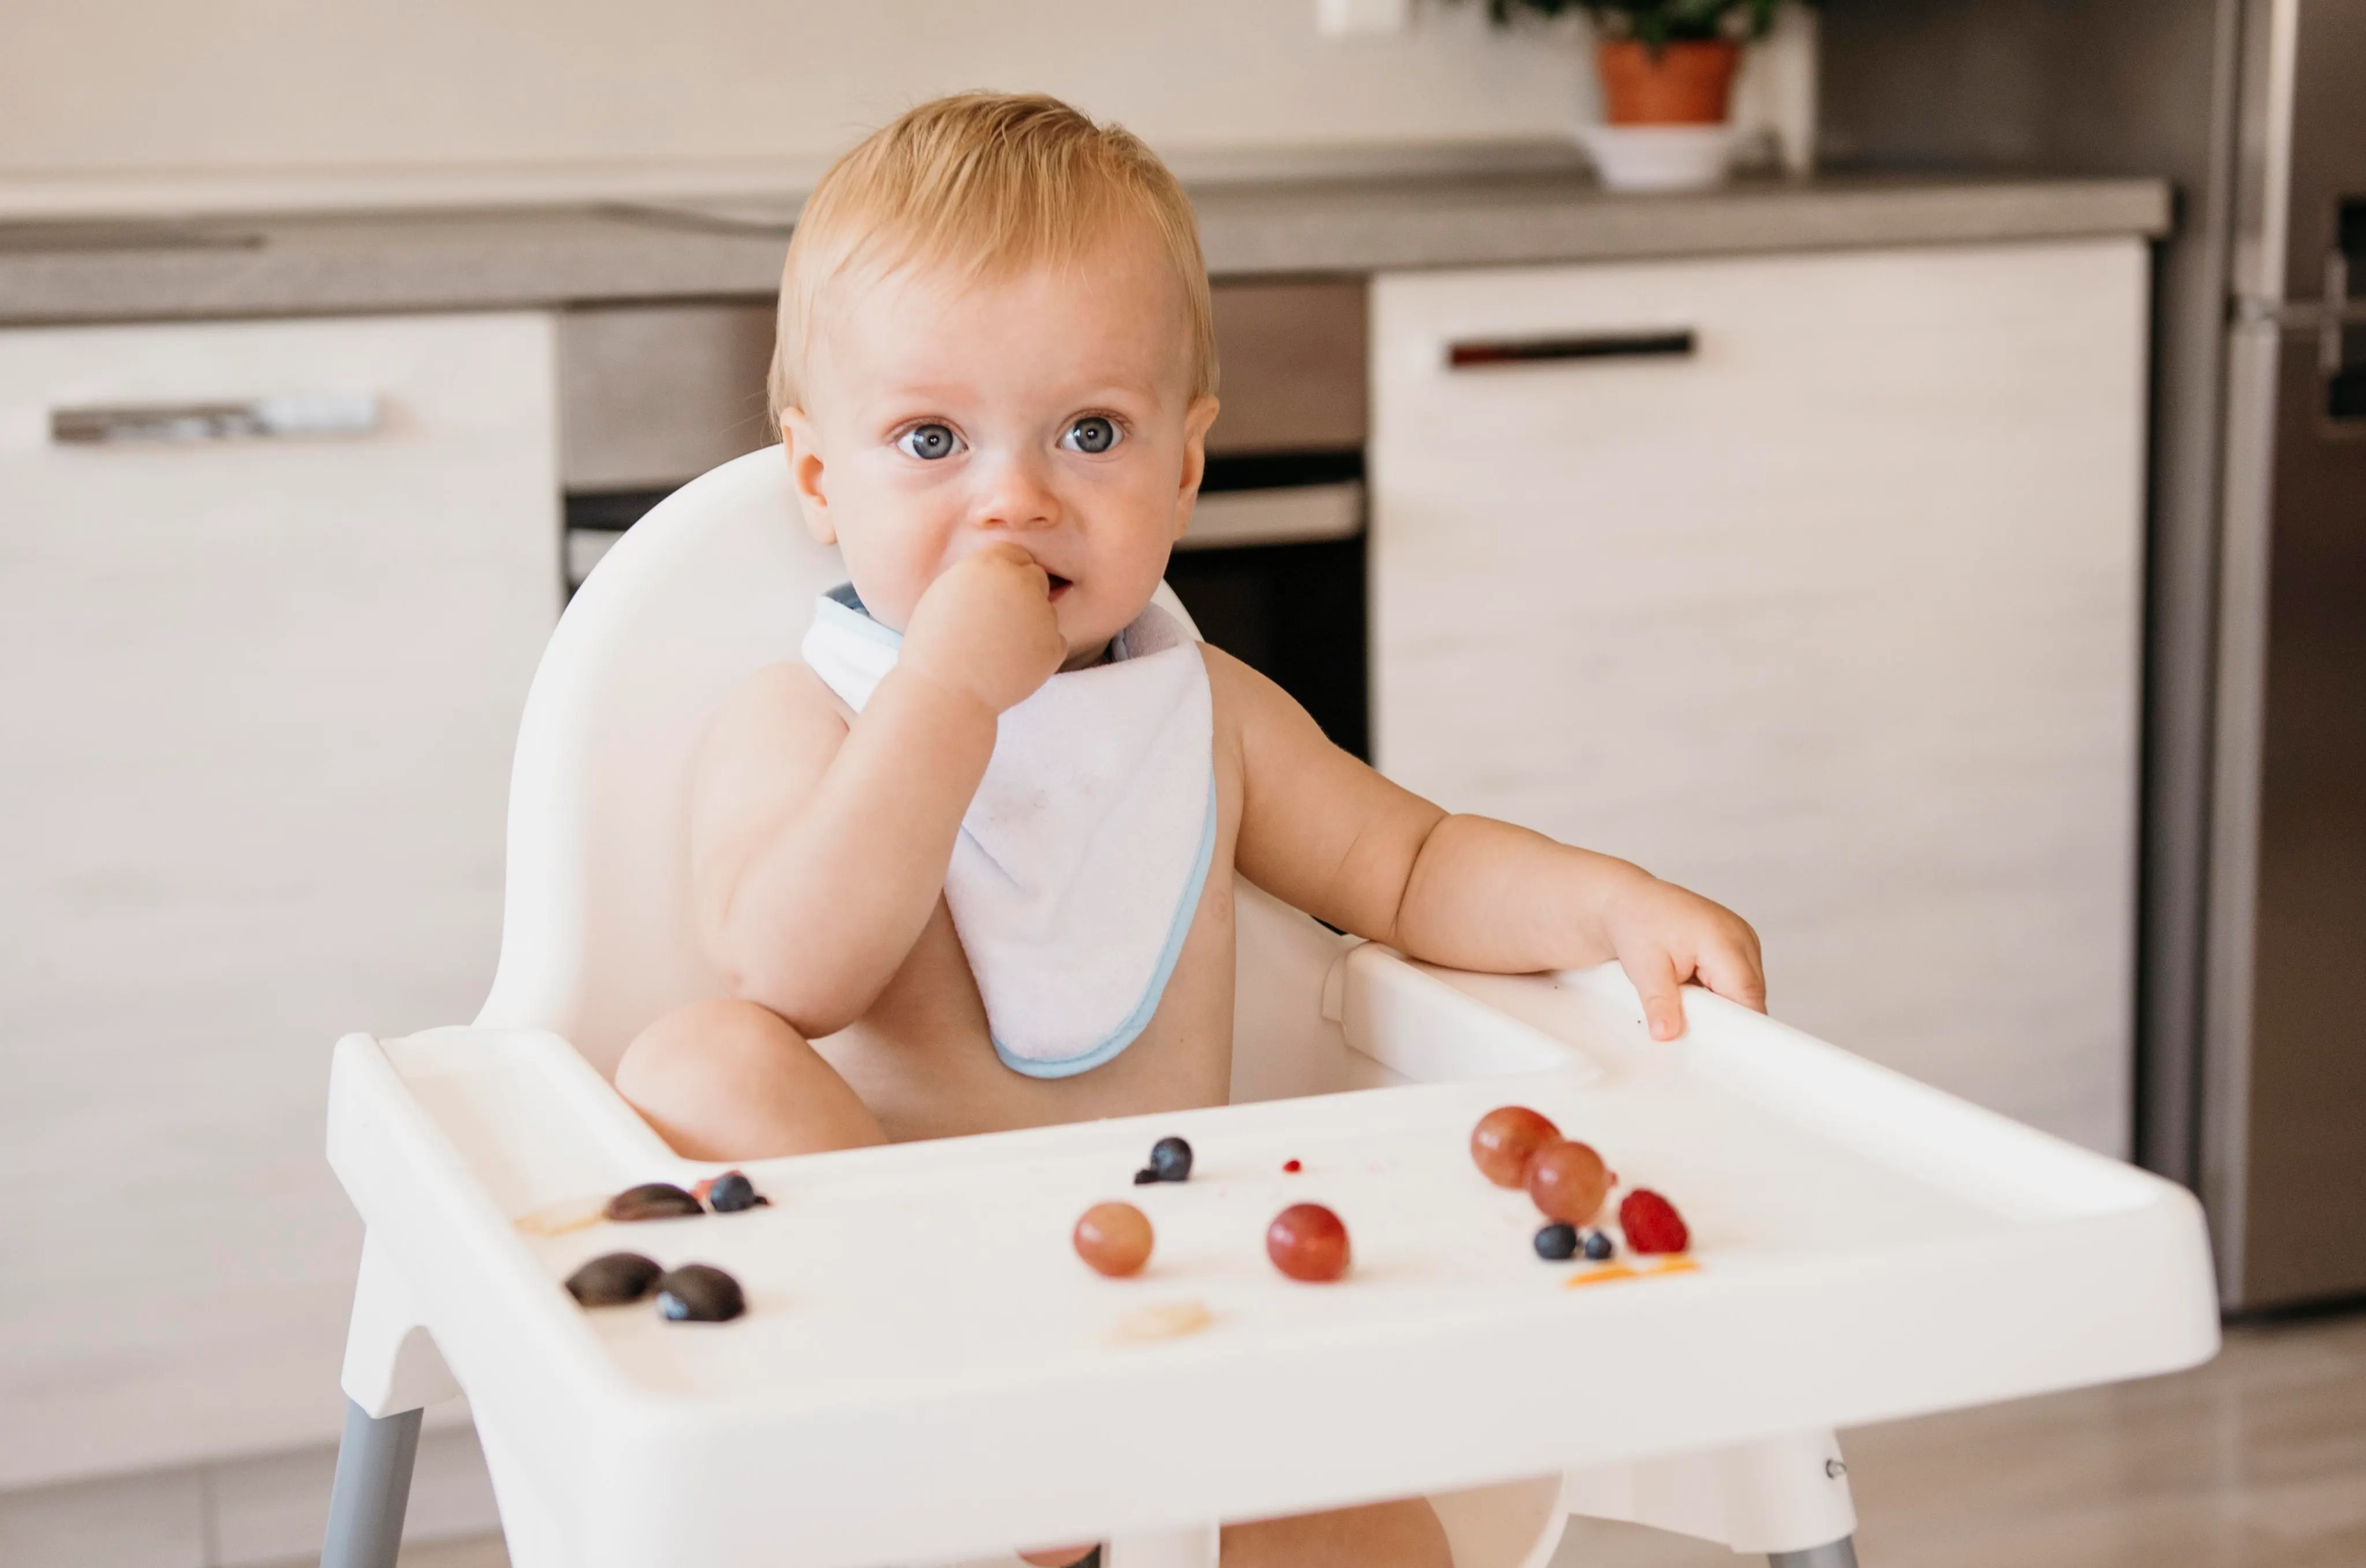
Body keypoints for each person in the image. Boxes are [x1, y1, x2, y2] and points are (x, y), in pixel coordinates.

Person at [614, 91, 1765, 1568]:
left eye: (1088, 433)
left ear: (1186, 464)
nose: (1012, 502)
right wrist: (947, 697)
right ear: (820, 479)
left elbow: (1407, 867)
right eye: (930, 440)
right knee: (694, 1055)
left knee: (1363, 1519)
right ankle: (1006, 1474)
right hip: (924, 1328)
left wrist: (1606, 904)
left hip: (1195, 1284)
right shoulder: (807, 715)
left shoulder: (1205, 710)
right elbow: (795, 971)